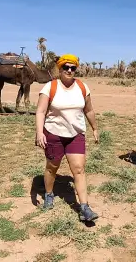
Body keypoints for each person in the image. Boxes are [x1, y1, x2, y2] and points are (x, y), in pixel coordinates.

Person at [35, 54, 100, 222]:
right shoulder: (50, 87)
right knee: (52, 167)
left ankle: (84, 207)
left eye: (73, 68)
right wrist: (39, 132)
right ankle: (49, 194)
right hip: (53, 133)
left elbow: (89, 110)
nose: (69, 71)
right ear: (60, 68)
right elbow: (41, 111)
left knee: (78, 169)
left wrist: (94, 128)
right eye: (66, 67)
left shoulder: (82, 87)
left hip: (76, 134)